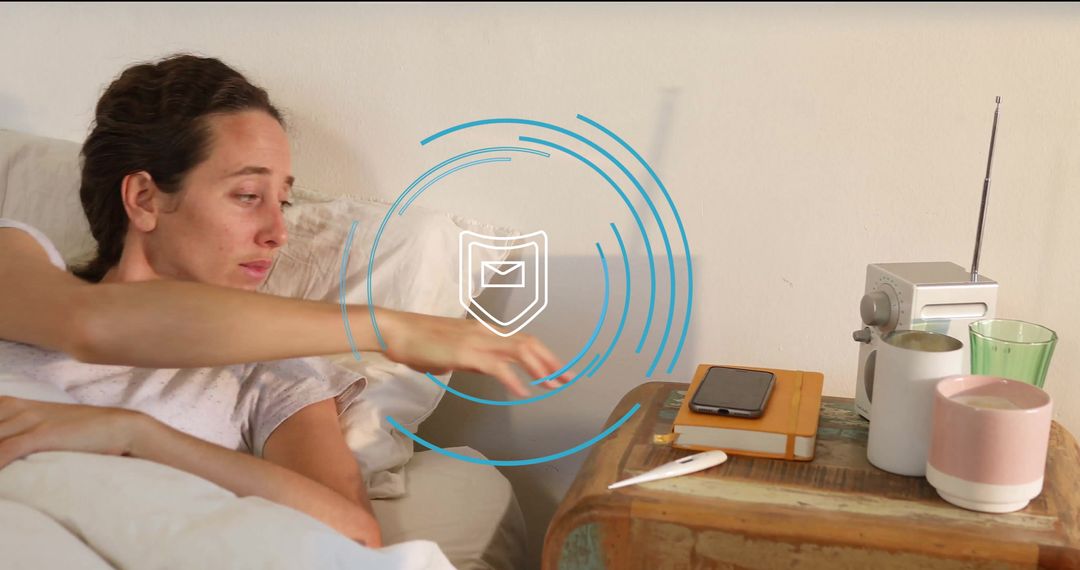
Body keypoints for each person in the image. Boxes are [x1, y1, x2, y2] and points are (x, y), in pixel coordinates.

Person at [0, 54, 571, 548]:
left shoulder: (271, 374)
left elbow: (352, 538)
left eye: (283, 201)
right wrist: (385, 328)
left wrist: (136, 437)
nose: (278, 232)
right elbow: (92, 326)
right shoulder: (19, 256)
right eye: (248, 195)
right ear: (145, 198)